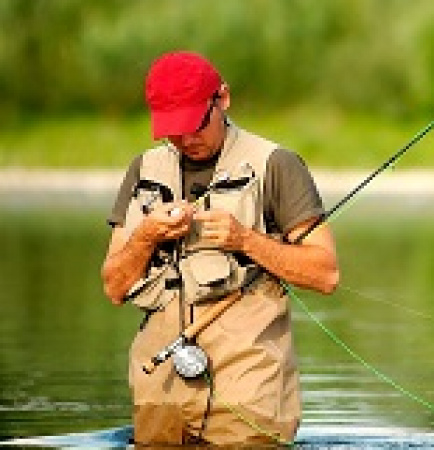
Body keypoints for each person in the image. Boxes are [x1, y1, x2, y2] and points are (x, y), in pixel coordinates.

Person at [101, 50, 339, 445]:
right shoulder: (142, 170)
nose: (187, 140)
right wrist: (145, 235)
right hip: (158, 389)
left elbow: (326, 274)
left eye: (196, 125)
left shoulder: (277, 165)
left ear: (223, 99)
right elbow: (113, 288)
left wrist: (245, 239)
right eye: (173, 130)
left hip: (249, 392)